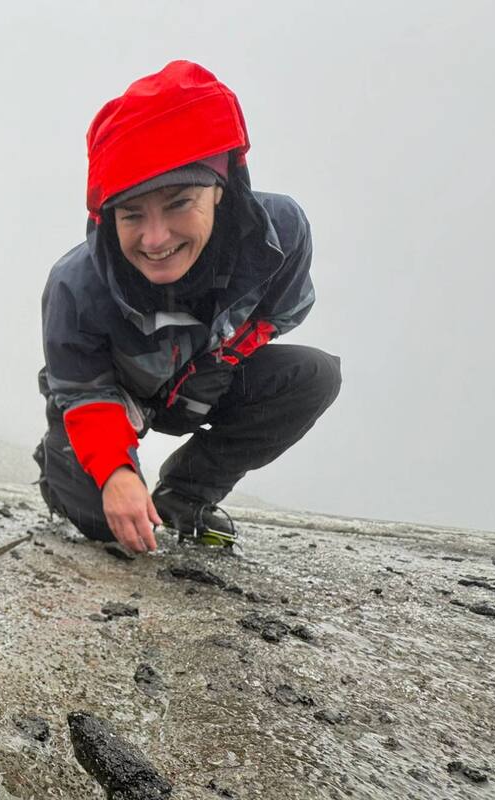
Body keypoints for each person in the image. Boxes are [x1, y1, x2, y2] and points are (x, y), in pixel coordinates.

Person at [36, 61, 341, 553]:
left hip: (206, 379)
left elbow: (278, 313)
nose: (156, 239)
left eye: (179, 203)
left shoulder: (279, 237)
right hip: (113, 395)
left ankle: (187, 492)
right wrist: (115, 472)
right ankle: (61, 466)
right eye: (132, 215)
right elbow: (85, 389)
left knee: (314, 375)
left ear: (221, 188)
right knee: (105, 523)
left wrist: (223, 359)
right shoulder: (74, 285)